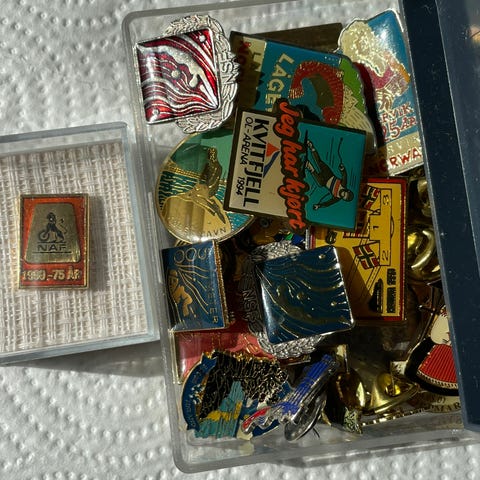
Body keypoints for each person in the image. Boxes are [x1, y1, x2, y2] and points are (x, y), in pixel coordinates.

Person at [305, 139, 354, 209]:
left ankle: (309, 166)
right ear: (347, 190)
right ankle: (311, 147)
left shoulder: (337, 198)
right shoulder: (343, 185)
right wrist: (342, 169)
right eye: (345, 194)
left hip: (324, 182)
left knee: (320, 183)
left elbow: (328, 203)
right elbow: (344, 175)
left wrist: (319, 206)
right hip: (329, 174)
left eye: (344, 197)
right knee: (319, 162)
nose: (343, 195)